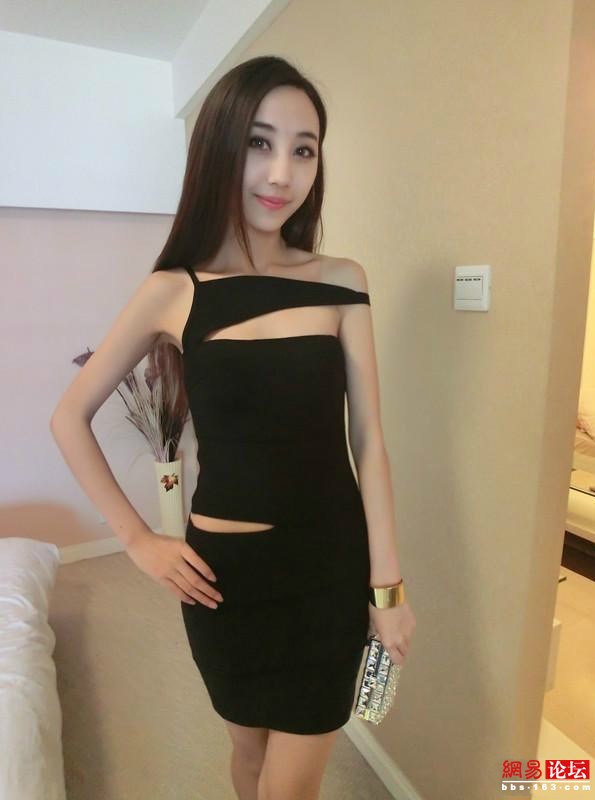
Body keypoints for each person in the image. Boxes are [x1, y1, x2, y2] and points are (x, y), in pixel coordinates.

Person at [50, 55, 416, 800]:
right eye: (259, 142)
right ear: (220, 146)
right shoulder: (172, 291)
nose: (282, 173)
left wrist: (387, 589)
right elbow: (69, 416)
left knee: (291, 786)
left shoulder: (342, 281)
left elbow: (369, 441)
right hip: (224, 585)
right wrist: (137, 539)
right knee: (247, 758)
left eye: (304, 149)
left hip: (327, 574)